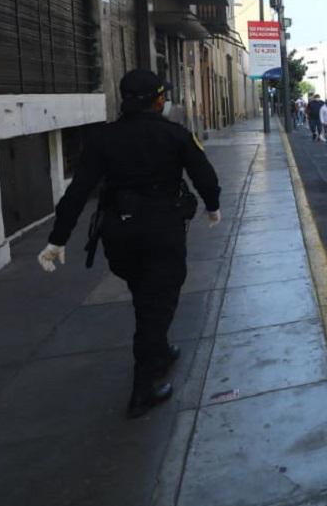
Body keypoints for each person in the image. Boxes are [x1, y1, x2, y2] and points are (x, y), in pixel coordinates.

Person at [36, 69, 222, 419]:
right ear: (158, 99)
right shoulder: (175, 135)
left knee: (145, 296)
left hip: (119, 233)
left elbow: (77, 193)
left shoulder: (103, 139)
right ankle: (144, 389)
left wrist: (57, 239)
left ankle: (161, 349)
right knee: (158, 304)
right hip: (162, 231)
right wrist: (212, 206)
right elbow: (205, 175)